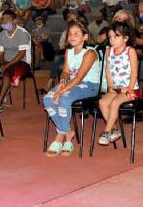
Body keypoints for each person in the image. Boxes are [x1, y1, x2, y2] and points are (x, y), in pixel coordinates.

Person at [43, 21, 102, 157]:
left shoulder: (90, 53)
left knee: (63, 99)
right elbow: (65, 72)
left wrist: (60, 91)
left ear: (85, 37)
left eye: (76, 34)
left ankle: (60, 137)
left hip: (89, 86)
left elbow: (79, 79)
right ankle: (67, 131)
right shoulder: (69, 51)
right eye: (70, 33)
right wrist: (63, 81)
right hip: (71, 83)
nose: (72, 36)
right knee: (47, 99)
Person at [98, 22, 140, 146]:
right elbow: (108, 70)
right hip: (115, 89)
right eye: (110, 37)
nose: (112, 40)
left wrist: (129, 88)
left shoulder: (130, 51)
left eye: (115, 37)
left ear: (125, 38)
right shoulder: (109, 51)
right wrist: (110, 86)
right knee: (102, 102)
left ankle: (106, 131)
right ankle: (114, 130)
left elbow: (134, 71)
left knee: (115, 102)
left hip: (132, 90)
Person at [0, 10, 32, 111]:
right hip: (7, 62)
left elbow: (21, 54)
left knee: (6, 73)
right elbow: (1, 53)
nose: (4, 21)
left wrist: (5, 66)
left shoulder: (22, 33)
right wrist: (2, 64)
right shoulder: (1, 34)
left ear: (14, 20)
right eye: (2, 19)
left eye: (7, 19)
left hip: (22, 63)